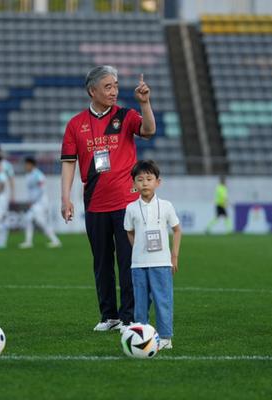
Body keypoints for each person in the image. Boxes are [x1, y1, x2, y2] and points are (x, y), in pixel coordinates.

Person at [60, 65, 156, 331]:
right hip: (94, 204)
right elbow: (69, 163)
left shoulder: (126, 116)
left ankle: (128, 317)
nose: (114, 91)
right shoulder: (75, 124)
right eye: (108, 86)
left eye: (115, 85)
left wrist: (145, 103)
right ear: (92, 91)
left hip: (127, 204)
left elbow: (149, 130)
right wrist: (65, 198)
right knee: (102, 264)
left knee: (128, 262)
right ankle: (109, 316)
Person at [124, 160, 181, 350]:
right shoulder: (131, 208)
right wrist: (137, 248)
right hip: (138, 264)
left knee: (163, 300)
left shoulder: (166, 206)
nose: (145, 183)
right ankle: (141, 335)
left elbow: (177, 229)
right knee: (140, 303)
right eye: (140, 180)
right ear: (134, 184)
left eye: (149, 179)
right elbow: (129, 231)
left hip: (162, 263)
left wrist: (174, 256)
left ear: (158, 182)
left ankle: (165, 337)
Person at [19, 156, 61, 249]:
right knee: (29, 219)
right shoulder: (28, 175)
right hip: (34, 203)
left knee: (39, 221)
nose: (25, 166)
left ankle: (55, 240)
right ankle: (28, 242)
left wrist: (35, 200)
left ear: (31, 165)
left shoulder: (38, 175)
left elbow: (42, 189)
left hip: (40, 202)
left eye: (27, 164)